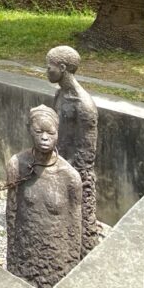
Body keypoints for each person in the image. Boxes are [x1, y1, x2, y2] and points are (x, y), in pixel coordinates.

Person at [5, 105, 82, 288]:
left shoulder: (69, 177)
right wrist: (13, 254)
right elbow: (11, 214)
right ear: (29, 130)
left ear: (58, 134)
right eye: (38, 131)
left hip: (55, 259)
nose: (45, 138)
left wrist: (71, 264)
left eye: (50, 133)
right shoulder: (17, 165)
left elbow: (75, 228)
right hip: (25, 255)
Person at [47, 45, 99, 254]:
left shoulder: (84, 105)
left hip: (73, 171)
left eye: (49, 67)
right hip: (56, 162)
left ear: (62, 67)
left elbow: (87, 154)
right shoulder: (60, 95)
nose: (46, 72)